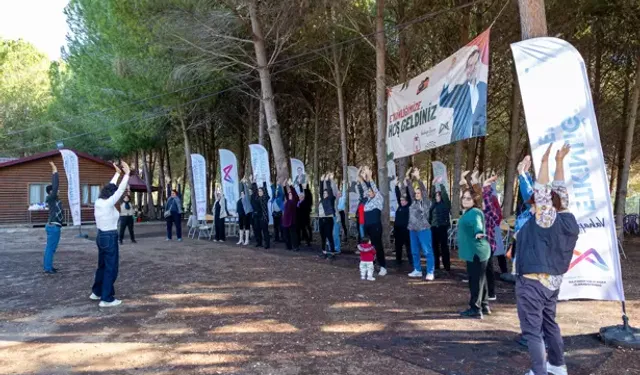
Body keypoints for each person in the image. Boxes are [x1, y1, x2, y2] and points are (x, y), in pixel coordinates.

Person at [517, 143, 578, 375]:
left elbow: (543, 192)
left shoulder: (547, 218)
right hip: (552, 284)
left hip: (533, 282)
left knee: (532, 331)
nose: (533, 205)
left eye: (536, 203)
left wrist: (544, 164)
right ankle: (558, 364)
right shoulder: (568, 217)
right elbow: (559, 192)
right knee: (549, 324)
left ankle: (539, 371)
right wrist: (559, 162)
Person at [90, 161, 131, 307]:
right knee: (111, 267)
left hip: (100, 236)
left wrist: (117, 174)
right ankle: (107, 298)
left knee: (102, 266)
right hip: (109, 236)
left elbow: (111, 187)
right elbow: (119, 190)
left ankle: (97, 292)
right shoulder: (108, 203)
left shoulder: (99, 201)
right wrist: (127, 175)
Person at [457, 171, 492, 319]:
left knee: (475, 281)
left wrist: (479, 232)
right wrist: (464, 182)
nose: (465, 200)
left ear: (474, 200)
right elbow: (468, 192)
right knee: (481, 279)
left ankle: (475, 309)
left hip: (476, 252)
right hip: (477, 251)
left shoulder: (475, 212)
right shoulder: (468, 211)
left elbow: (478, 225)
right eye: (464, 198)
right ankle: (484, 306)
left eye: (468, 198)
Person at [439, 48, 487, 142]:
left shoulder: (484, 88)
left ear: (480, 66)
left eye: (475, 64)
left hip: (478, 140)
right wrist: (448, 77)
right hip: (459, 140)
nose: (472, 69)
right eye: (469, 65)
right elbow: (443, 102)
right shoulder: (459, 90)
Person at [406, 168, 435, 281]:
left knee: (427, 251)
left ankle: (430, 272)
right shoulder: (414, 201)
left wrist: (418, 178)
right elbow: (410, 189)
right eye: (416, 193)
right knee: (414, 251)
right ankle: (417, 270)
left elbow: (423, 190)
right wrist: (408, 178)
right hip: (412, 229)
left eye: (419, 193)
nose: (417, 194)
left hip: (423, 229)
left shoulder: (426, 202)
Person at [359, 166, 387, 276]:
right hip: (367, 226)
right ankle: (370, 263)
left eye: (371, 191)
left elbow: (373, 187)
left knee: (377, 246)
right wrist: (361, 176)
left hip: (375, 226)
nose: (369, 192)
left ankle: (383, 266)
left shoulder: (378, 198)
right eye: (368, 192)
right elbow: (364, 187)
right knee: (367, 246)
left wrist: (369, 176)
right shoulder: (367, 201)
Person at [480, 173, 502, 301]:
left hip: (488, 244)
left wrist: (486, 185)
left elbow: (487, 200)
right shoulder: (481, 212)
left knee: (488, 269)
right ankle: (486, 292)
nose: (482, 203)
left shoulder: (489, 213)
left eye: (483, 202)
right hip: (482, 245)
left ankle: (491, 293)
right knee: (484, 269)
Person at [43, 161, 63, 274]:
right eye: (55, 190)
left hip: (55, 227)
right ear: (51, 192)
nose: (58, 190)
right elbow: (55, 186)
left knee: (52, 248)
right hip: (53, 227)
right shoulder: (51, 198)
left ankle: (49, 266)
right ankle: (47, 268)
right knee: (50, 248)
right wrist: (55, 171)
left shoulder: (55, 200)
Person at [429, 177, 451, 272]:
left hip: (442, 227)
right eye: (436, 196)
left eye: (439, 195)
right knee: (435, 247)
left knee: (444, 247)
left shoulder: (446, 204)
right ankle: (436, 265)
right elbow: (432, 195)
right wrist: (433, 184)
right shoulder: (433, 205)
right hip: (434, 228)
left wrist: (441, 184)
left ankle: (447, 267)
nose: (437, 197)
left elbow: (445, 195)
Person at [394, 177, 412, 267]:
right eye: (401, 200)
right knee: (398, 246)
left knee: (408, 246)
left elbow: (409, 196)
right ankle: (398, 260)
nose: (401, 201)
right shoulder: (400, 206)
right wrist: (396, 186)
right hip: (398, 230)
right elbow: (397, 195)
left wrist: (406, 186)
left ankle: (411, 261)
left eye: (403, 200)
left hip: (406, 230)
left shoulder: (408, 206)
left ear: (406, 201)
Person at [318, 173, 337, 255]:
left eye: (326, 193)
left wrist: (327, 181)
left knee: (329, 236)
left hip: (328, 220)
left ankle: (332, 252)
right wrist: (321, 181)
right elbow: (320, 191)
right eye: (324, 194)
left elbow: (329, 190)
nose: (325, 194)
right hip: (321, 219)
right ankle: (323, 251)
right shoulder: (322, 200)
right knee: (323, 237)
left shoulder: (331, 200)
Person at [251, 177, 270, 249]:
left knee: (265, 231)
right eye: (259, 191)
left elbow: (266, 191)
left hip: (264, 218)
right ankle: (259, 243)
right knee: (257, 230)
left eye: (261, 191)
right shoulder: (257, 198)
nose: (259, 192)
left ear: (263, 192)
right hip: (258, 217)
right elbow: (254, 190)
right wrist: (254, 183)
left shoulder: (265, 198)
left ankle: (267, 244)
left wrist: (264, 182)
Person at [282, 180, 300, 251]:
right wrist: (284, 186)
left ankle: (295, 247)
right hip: (286, 220)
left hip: (292, 220)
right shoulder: (288, 201)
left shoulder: (294, 201)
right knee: (286, 234)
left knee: (293, 234)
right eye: (288, 194)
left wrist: (291, 186)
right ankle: (288, 246)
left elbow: (295, 195)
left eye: (290, 194)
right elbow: (286, 193)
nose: (289, 195)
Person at [297, 182, 313, 247]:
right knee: (300, 230)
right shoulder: (298, 202)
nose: (300, 197)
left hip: (305, 218)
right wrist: (300, 184)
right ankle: (299, 241)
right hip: (299, 219)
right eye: (299, 196)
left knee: (305, 229)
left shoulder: (305, 202)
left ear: (303, 197)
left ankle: (308, 241)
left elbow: (308, 195)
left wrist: (305, 188)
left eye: (301, 196)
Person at [239, 178, 254, 245]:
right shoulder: (241, 199)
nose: (242, 194)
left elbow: (246, 191)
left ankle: (247, 240)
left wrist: (244, 183)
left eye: (243, 193)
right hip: (243, 214)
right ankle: (241, 239)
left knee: (247, 226)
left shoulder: (248, 198)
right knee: (242, 226)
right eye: (241, 194)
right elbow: (241, 190)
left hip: (248, 213)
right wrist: (240, 183)